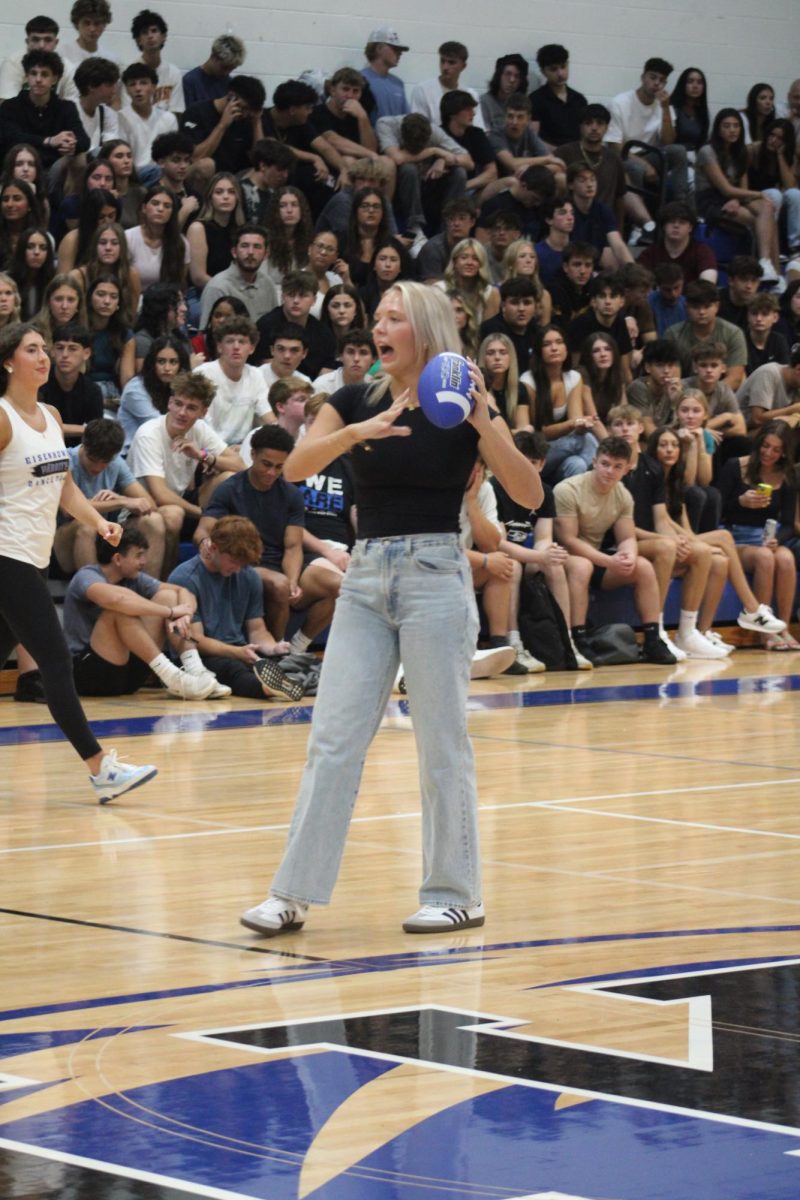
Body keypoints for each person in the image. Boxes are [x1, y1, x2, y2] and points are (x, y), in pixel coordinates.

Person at [240, 281, 541, 938]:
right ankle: (291, 895)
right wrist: (355, 432)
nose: (379, 327)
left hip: (437, 572)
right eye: (377, 317)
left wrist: (484, 420)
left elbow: (527, 492)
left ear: (425, 331)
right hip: (366, 575)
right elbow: (294, 469)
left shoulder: (461, 410)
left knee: (441, 744)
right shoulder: (351, 399)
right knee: (334, 740)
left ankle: (456, 892)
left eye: (393, 318)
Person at [0, 321, 157, 802]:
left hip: (33, 553)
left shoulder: (48, 413)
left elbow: (64, 486)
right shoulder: (2, 417)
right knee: (53, 660)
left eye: (45, 348)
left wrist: (98, 522)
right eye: (32, 349)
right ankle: (100, 767)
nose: (44, 356)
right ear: (8, 362)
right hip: (6, 555)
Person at [196, 422, 340, 650]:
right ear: (252, 455)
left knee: (339, 586)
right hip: (246, 563)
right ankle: (275, 653)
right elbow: (203, 530)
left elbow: (293, 547)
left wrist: (294, 581)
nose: (271, 472)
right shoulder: (229, 489)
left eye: (279, 467)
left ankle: (297, 648)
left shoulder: (291, 494)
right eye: (266, 464)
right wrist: (206, 542)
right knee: (280, 585)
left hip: (281, 562)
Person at [648, 422, 785, 647]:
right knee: (723, 538)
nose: (670, 450)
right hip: (655, 543)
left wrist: (695, 542)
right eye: (663, 445)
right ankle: (751, 609)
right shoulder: (650, 479)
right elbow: (658, 523)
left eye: (674, 445)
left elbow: (687, 529)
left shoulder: (675, 482)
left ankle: (701, 631)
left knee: (721, 560)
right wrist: (698, 544)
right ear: (654, 450)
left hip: (678, 542)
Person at [553, 435, 677, 665]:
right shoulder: (567, 490)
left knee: (642, 566)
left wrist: (627, 554)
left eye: (617, 466)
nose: (609, 471)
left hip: (597, 558)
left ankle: (652, 638)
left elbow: (627, 536)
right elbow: (569, 540)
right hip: (563, 559)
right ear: (594, 461)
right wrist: (609, 561)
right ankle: (578, 640)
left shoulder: (623, 495)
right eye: (605, 464)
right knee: (582, 566)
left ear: (627, 469)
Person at [167, 514, 302, 699]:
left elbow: (257, 630)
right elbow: (197, 640)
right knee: (232, 668)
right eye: (233, 561)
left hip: (239, 651)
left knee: (290, 662)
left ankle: (286, 682)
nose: (238, 569)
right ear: (213, 548)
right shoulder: (186, 578)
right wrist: (237, 652)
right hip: (201, 656)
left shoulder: (249, 575)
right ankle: (268, 689)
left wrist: (273, 648)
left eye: (243, 563)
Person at [128, 371, 244, 569]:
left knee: (229, 478)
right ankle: (166, 579)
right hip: (139, 512)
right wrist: (202, 513)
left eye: (191, 408)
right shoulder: (149, 434)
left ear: (203, 412)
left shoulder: (200, 429)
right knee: (173, 515)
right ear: (170, 403)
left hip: (181, 502)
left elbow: (240, 466)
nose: (182, 412)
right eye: (179, 404)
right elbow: (160, 495)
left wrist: (203, 456)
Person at [718, 419, 800, 649]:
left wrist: (778, 540)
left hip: (766, 537)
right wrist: (741, 502)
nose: (769, 453)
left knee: (785, 558)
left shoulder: (787, 476)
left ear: (784, 453)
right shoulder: (736, 466)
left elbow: (787, 522)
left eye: (776, 449)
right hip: (736, 536)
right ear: (758, 444)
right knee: (764, 558)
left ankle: (782, 627)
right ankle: (764, 630)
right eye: (765, 446)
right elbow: (717, 509)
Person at [53, 416, 167, 578]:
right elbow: (69, 510)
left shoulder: (117, 463)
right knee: (87, 525)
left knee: (154, 520)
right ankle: (94, 593)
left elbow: (148, 505)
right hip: (64, 542)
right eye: (92, 460)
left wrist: (120, 499)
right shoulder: (65, 460)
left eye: (105, 462)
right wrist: (120, 501)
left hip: (106, 538)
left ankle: (148, 588)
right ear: (84, 446)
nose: (98, 467)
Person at [694, 109, 780, 283]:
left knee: (767, 209)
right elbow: (725, 189)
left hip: (732, 198)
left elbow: (742, 188)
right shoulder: (707, 151)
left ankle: (769, 267)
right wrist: (759, 194)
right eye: (726, 126)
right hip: (710, 201)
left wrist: (739, 199)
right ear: (718, 129)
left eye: (736, 126)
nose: (732, 130)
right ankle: (768, 267)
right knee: (764, 218)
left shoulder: (740, 152)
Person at [604, 56, 689, 207]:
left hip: (650, 155)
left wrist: (665, 110)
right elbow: (614, 146)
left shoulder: (665, 106)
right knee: (636, 169)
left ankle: (680, 206)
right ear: (643, 77)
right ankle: (639, 221)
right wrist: (644, 164)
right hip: (623, 156)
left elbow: (668, 142)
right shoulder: (620, 102)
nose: (656, 83)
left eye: (661, 80)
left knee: (679, 151)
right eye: (653, 77)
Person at [526, 323, 597, 482]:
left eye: (559, 342)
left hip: (562, 450)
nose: (554, 348)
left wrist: (582, 425)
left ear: (566, 348)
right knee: (586, 441)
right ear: (539, 351)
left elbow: (576, 422)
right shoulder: (529, 382)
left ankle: (566, 502)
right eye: (547, 344)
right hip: (535, 454)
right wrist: (573, 425)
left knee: (577, 464)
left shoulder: (573, 378)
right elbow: (540, 433)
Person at [195, 315, 270, 446]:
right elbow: (201, 425)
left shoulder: (256, 375)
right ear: (219, 347)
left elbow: (267, 416)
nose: (236, 347)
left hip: (242, 448)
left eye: (242, 342)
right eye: (229, 341)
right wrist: (225, 451)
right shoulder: (202, 374)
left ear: (252, 348)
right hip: (207, 448)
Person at [665, 279, 748, 390]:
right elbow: (671, 377)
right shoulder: (673, 335)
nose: (702, 312)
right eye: (696, 307)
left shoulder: (733, 333)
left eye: (707, 306)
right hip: (684, 398)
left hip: (722, 397)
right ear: (687, 307)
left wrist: (708, 398)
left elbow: (735, 378)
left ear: (717, 306)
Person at [182, 74, 266, 179]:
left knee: (264, 170)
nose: (244, 114)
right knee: (206, 165)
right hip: (206, 176)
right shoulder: (196, 112)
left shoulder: (246, 118)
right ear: (231, 97)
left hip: (233, 177)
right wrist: (222, 125)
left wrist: (256, 123)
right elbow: (194, 158)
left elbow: (260, 162)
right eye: (243, 108)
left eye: (249, 111)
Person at [118, 332, 189, 451]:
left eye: (173, 362)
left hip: (168, 451)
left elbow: (200, 423)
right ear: (152, 363)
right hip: (133, 455)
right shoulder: (135, 390)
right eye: (161, 361)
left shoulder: (178, 387)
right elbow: (160, 427)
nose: (167, 368)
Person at [198, 224, 278, 327]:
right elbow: (205, 333)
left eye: (257, 247)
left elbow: (275, 325)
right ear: (234, 252)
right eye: (244, 246)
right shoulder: (218, 287)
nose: (250, 252)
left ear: (266, 254)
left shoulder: (268, 283)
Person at [38, 321, 103, 446]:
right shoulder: (38, 383)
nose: (65, 355)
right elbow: (36, 426)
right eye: (60, 348)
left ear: (86, 353)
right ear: (52, 351)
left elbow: (97, 432)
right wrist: (84, 430)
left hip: (79, 451)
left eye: (72, 348)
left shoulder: (92, 391)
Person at [186, 172, 245, 294]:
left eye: (231, 192)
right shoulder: (198, 228)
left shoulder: (241, 229)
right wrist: (230, 291)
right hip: (202, 293)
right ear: (210, 197)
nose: (226, 197)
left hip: (236, 292)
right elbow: (198, 277)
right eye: (219, 192)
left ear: (237, 198)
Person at [0, 16, 79, 103]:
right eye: (35, 40)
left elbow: (74, 108)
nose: (41, 45)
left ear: (56, 43)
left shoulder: (68, 68)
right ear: (27, 42)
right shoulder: (12, 63)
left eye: (48, 40)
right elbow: (6, 105)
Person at [637, 200, 718, 285]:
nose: (676, 225)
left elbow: (708, 284)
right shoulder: (650, 253)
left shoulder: (702, 252)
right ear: (664, 226)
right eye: (671, 221)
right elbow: (638, 282)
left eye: (682, 222)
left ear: (690, 227)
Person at [125, 185, 190, 290]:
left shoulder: (181, 242)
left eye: (167, 206)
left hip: (166, 301)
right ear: (144, 208)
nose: (160, 209)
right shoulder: (128, 237)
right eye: (155, 203)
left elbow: (180, 283)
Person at [409, 40, 484, 130]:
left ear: (463, 66)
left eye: (451, 62)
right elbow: (417, 128)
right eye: (442, 61)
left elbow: (479, 128)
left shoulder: (471, 94)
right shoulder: (422, 90)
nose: (445, 67)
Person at [529, 43, 587, 148]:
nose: (560, 73)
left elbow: (585, 133)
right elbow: (533, 138)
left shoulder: (579, 99)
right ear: (543, 72)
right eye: (553, 69)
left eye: (563, 67)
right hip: (548, 157)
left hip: (577, 156)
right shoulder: (535, 99)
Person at [130, 8, 184, 114]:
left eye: (154, 31)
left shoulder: (174, 73)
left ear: (163, 37)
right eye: (145, 32)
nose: (150, 36)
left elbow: (177, 113)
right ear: (138, 40)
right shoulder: (129, 73)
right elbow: (127, 114)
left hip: (167, 129)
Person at [737, 345, 800, 428]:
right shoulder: (768, 373)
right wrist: (792, 410)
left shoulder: (795, 384)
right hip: (740, 431)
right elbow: (757, 419)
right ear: (798, 369)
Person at [478, 332, 532, 429]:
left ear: (511, 357)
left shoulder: (520, 389)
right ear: (483, 358)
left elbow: (524, 431)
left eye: (503, 352)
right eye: (491, 353)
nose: (497, 358)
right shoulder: (476, 389)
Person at [181, 34, 246, 110]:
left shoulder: (230, 83)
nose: (227, 73)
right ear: (213, 57)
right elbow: (187, 118)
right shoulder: (190, 82)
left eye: (232, 69)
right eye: (224, 67)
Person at [73, 56, 120, 156]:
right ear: (92, 86)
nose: (114, 90)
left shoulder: (108, 114)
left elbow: (111, 149)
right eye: (109, 85)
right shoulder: (67, 109)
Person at [361, 27, 409, 122]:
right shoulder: (359, 80)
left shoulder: (398, 84)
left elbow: (406, 119)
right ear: (379, 48)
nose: (400, 53)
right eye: (395, 49)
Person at [8, 226, 54, 319]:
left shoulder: (53, 282)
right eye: (30, 247)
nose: (37, 252)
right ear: (21, 250)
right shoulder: (6, 281)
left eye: (43, 248)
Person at [480, 54, 528, 134]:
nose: (512, 80)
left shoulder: (524, 103)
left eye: (517, 76)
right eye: (507, 74)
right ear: (499, 76)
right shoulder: (485, 102)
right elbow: (485, 135)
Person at [745, 293, 789, 375]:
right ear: (748, 316)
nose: (759, 319)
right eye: (754, 313)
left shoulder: (779, 340)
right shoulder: (741, 339)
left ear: (775, 317)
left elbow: (784, 373)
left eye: (765, 314)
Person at [669, 67, 710, 157]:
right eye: (690, 81)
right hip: (675, 157)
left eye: (699, 83)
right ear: (683, 84)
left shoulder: (701, 112)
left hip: (696, 157)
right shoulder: (673, 108)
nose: (695, 86)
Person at [649, 262, 687, 336]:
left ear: (683, 283)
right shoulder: (648, 302)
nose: (673, 294)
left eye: (676, 288)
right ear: (658, 286)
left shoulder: (687, 305)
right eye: (667, 290)